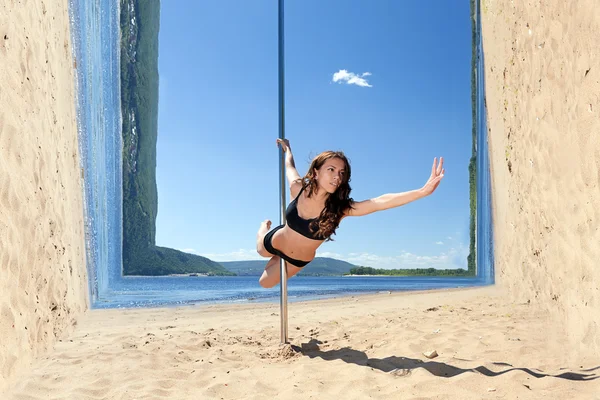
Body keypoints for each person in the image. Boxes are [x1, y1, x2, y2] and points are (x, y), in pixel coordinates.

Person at [257, 138, 445, 288]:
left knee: (264, 283)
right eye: (331, 169)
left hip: (296, 259)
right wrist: (288, 149)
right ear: (316, 172)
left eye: (341, 172)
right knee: (260, 251)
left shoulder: (340, 209)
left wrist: (422, 192)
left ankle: (276, 258)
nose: (337, 176)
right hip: (276, 239)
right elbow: (289, 167)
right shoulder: (297, 188)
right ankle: (263, 229)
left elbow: (379, 202)